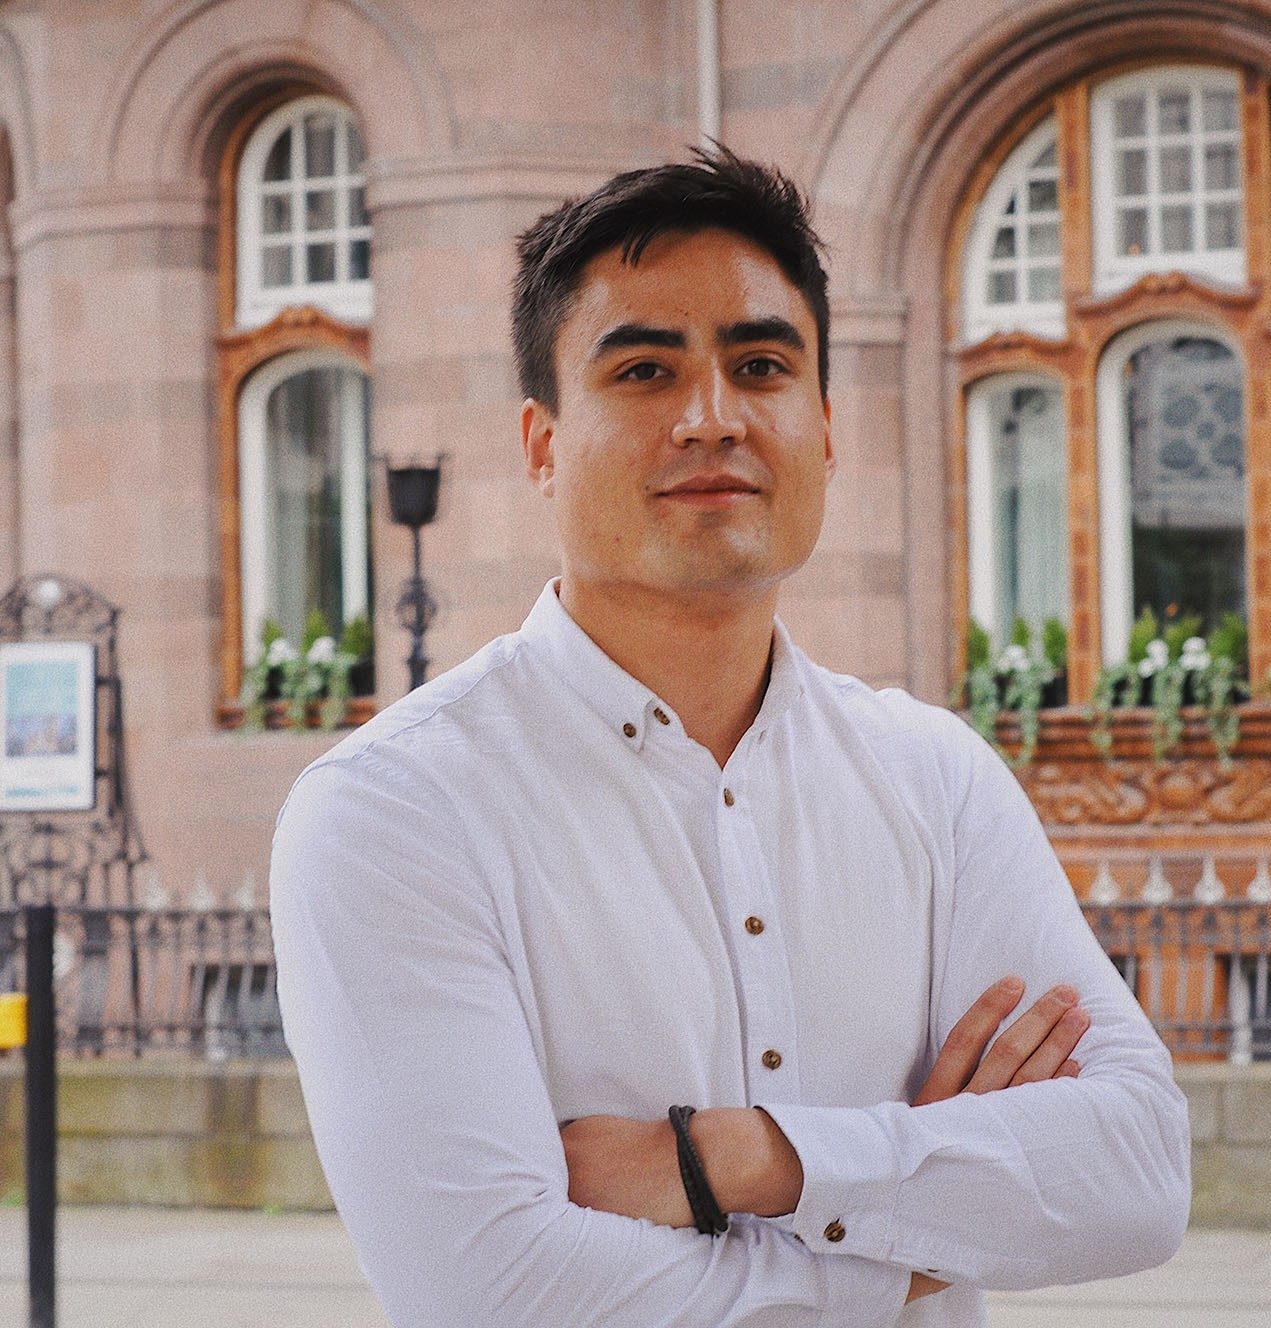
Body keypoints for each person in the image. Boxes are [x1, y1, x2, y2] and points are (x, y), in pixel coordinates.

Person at [269, 146, 1190, 1327]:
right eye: (644, 370)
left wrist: (744, 1158)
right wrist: (916, 1224)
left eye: (758, 364)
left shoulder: (933, 777)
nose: (711, 418)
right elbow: (490, 1291)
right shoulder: (395, 811)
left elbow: (1139, 1174)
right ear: (540, 443)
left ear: (821, 424)